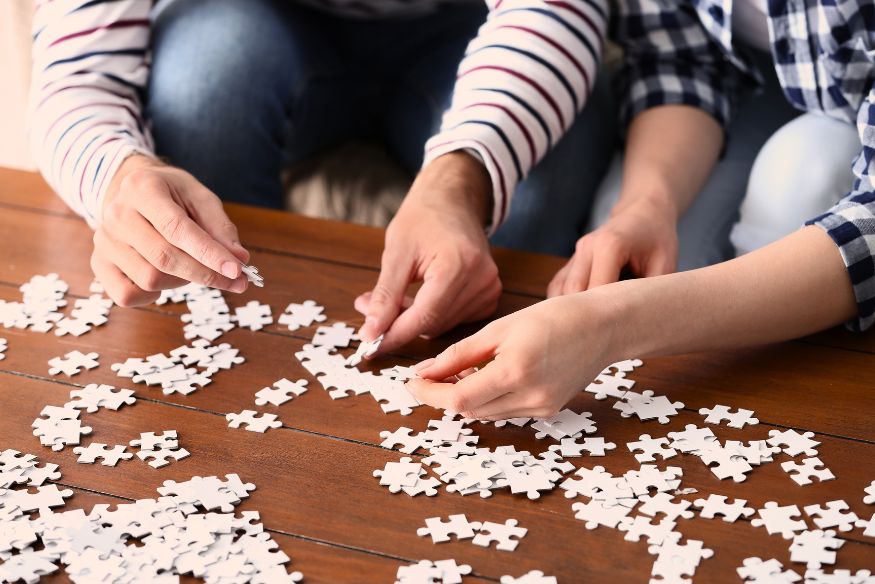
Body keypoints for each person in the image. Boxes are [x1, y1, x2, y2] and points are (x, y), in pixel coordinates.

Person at [29, 0, 611, 356]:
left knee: (547, 167)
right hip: (254, 26)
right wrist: (117, 174)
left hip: (474, 27)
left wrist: (463, 177)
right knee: (203, 85)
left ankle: (487, 361)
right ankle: (238, 350)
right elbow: (77, 72)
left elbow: (560, 9)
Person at [407, 1, 875, 420]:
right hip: (752, 81)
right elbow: (679, 59)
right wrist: (645, 207)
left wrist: (609, 325)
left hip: (845, 113)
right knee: (627, 238)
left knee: (798, 180)